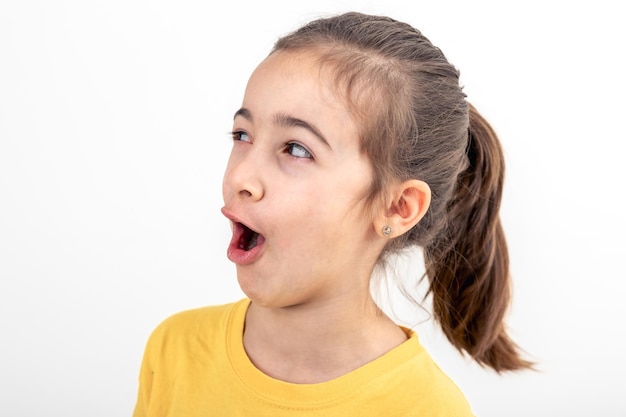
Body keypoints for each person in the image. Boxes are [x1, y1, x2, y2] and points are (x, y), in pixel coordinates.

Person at [132, 11, 533, 416]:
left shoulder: (427, 408)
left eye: (296, 149)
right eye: (242, 135)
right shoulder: (173, 349)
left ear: (397, 207)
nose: (240, 175)